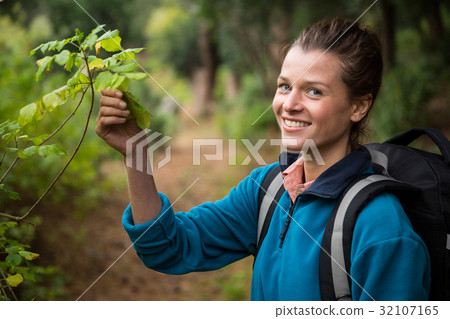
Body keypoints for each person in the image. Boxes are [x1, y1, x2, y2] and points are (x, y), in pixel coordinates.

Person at [95, 18, 430, 301]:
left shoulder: (382, 228)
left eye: (314, 91)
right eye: (285, 86)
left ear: (359, 107)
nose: (290, 104)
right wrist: (136, 152)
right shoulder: (267, 189)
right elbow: (168, 248)